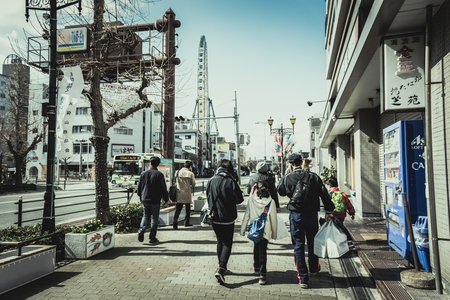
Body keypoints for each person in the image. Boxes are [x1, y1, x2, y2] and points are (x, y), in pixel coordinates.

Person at [277, 153, 335, 289]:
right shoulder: (313, 177)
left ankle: (302, 278)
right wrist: (329, 211)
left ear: (291, 164)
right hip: (311, 216)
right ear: (302, 162)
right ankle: (314, 268)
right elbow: (324, 194)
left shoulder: (287, 177)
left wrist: (284, 176)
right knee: (312, 242)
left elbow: (281, 192)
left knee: (298, 245)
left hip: (296, 216)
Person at [206, 159, 244, 284]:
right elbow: (239, 199)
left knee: (220, 241)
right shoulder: (230, 181)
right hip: (228, 217)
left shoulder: (211, 180)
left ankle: (222, 266)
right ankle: (221, 268)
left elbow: (208, 196)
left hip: (215, 216)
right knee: (227, 243)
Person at [240, 181, 278, 285]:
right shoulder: (271, 202)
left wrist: (242, 229)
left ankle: (256, 267)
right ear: (267, 189)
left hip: (254, 230)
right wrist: (274, 234)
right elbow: (273, 219)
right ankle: (262, 275)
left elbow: (247, 215)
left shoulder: (252, 199)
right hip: (265, 231)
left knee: (256, 247)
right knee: (263, 252)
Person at [137, 156, 169, 244]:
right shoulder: (159, 174)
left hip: (145, 198)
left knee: (145, 215)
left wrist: (140, 197)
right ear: (158, 164)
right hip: (155, 199)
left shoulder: (143, 173)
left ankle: (141, 230)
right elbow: (163, 188)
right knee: (154, 218)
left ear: (150, 163)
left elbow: (139, 187)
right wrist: (166, 199)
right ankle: (152, 238)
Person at [173, 160, 196, 229]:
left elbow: (175, 180)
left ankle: (175, 222)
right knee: (188, 209)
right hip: (187, 193)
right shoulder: (190, 173)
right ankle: (187, 222)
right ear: (190, 166)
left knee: (178, 209)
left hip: (179, 192)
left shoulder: (177, 172)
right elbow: (193, 184)